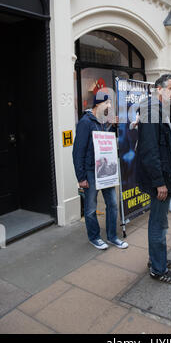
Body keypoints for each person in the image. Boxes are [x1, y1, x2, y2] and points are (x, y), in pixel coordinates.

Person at [136, 74, 171, 284]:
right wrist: (159, 182)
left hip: (164, 175)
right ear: (159, 89)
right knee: (158, 223)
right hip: (159, 179)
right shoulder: (151, 109)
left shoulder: (159, 109)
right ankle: (158, 268)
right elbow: (149, 150)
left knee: (160, 220)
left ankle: (158, 258)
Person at [73, 91, 128, 250]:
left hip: (105, 171)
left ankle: (112, 236)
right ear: (98, 104)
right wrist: (81, 177)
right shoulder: (85, 122)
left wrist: (114, 127)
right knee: (90, 208)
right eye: (107, 103)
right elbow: (78, 151)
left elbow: (107, 143)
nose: (110, 107)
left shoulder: (104, 122)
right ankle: (94, 237)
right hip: (90, 171)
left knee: (112, 204)